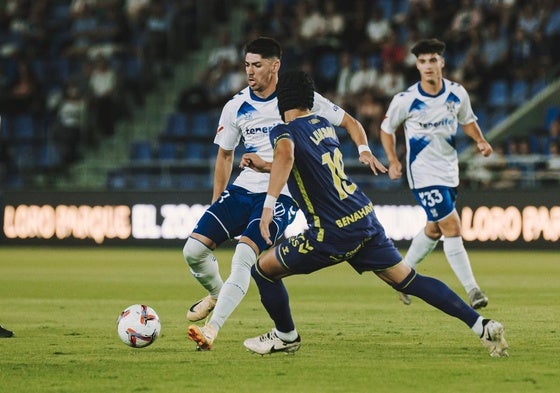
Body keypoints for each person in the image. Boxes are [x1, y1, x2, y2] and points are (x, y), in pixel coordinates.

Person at [232, 70, 506, 357]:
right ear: (309, 99)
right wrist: (265, 165)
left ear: (281, 100)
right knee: (408, 279)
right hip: (363, 217)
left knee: (263, 270)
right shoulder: (322, 124)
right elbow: (306, 165)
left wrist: (267, 207)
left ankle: (286, 336)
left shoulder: (283, 131)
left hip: (330, 232)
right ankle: (482, 326)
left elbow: (287, 157)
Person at [184, 37, 373, 350]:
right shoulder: (236, 105)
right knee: (192, 251)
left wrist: (363, 149)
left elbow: (349, 122)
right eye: (246, 65)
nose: (250, 71)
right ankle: (218, 294)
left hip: (281, 193)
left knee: (244, 257)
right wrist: (217, 199)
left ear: (275, 66)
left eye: (257, 65)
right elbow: (225, 156)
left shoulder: (297, 99)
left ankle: (212, 330)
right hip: (243, 188)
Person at [379, 38, 492, 308]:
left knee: (433, 229)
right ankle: (473, 289)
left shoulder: (457, 93)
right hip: (422, 174)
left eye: (432, 60)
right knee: (452, 226)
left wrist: (480, 140)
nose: (428, 66)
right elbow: (386, 129)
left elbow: (468, 121)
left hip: (449, 172)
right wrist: (393, 159)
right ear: (417, 66)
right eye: (422, 61)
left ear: (442, 62)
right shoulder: (406, 100)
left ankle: (401, 277)